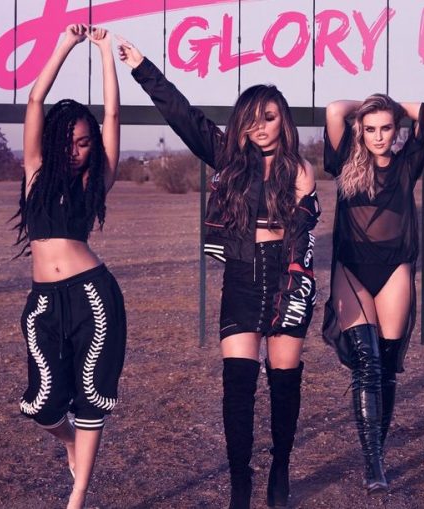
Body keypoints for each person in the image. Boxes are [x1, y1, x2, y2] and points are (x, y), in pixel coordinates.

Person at [117, 38, 318, 509]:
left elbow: (301, 240)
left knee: (285, 383)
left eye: (270, 117)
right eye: (253, 118)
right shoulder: (228, 159)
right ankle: (240, 484)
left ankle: (281, 468)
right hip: (242, 280)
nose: (261, 127)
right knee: (238, 385)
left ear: (283, 120)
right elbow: (182, 115)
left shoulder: (300, 170)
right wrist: (142, 67)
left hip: (286, 281)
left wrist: (298, 290)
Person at [12, 24, 125, 509]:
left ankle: (78, 495)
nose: (76, 151)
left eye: (84, 143)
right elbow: (35, 101)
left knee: (92, 396)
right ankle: (70, 442)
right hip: (44, 302)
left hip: (93, 296)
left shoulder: (96, 180)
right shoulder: (35, 170)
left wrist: (105, 53)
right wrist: (66, 44)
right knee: (42, 405)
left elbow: (113, 114)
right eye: (69, 142)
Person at [322, 94, 424, 493]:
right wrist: (373, 104)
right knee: (367, 363)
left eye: (386, 128)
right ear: (361, 130)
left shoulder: (406, 164)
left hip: (394, 268)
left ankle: (378, 454)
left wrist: (390, 105)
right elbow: (335, 109)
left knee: (385, 367)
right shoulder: (345, 161)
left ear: (396, 130)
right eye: (370, 129)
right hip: (351, 268)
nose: (378, 136)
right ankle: (373, 464)